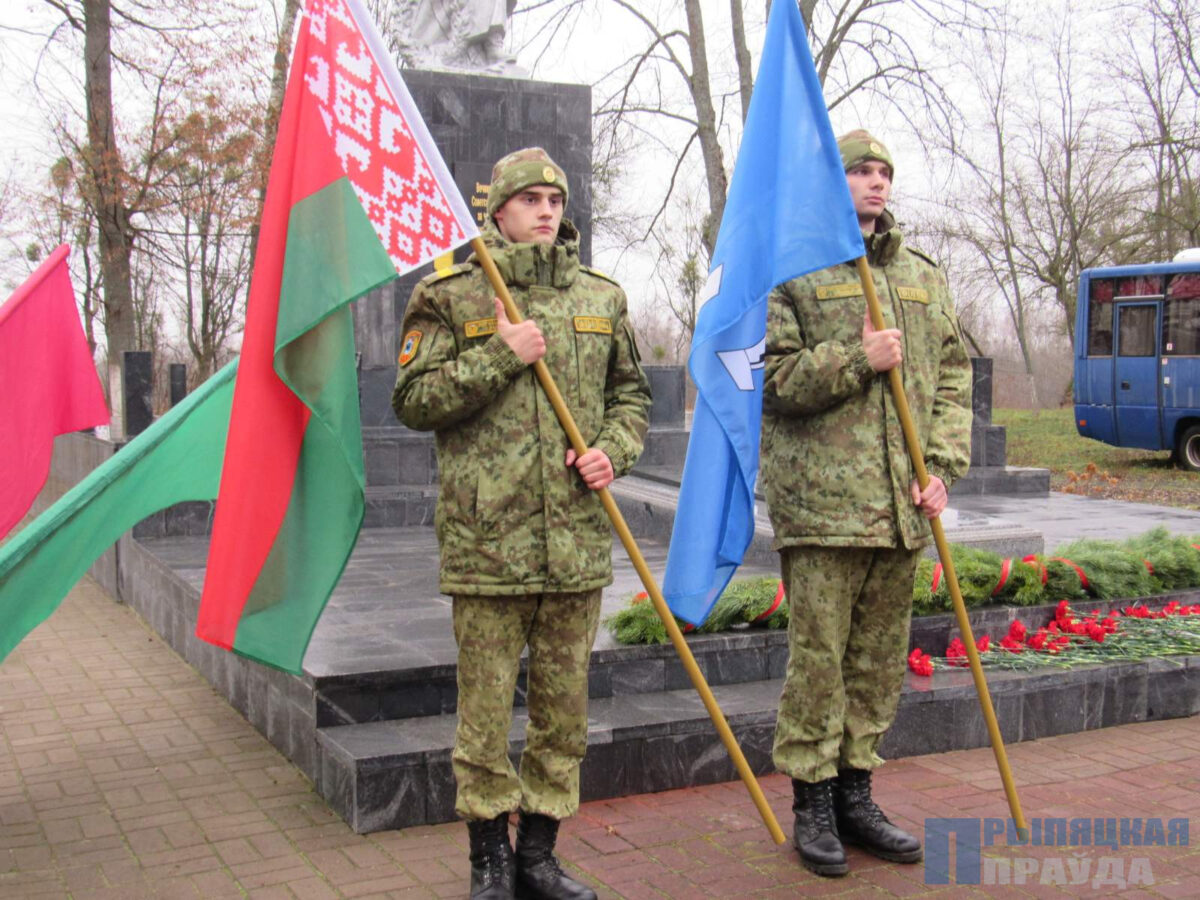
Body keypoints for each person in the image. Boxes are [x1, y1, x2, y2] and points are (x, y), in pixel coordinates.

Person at [392, 148, 651, 900]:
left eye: (555, 198)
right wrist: (499, 358)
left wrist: (613, 451)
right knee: (482, 719)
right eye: (529, 198)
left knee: (563, 715)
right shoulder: (451, 295)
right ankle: (488, 861)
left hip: (574, 542)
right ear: (497, 211)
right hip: (488, 545)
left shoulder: (602, 296)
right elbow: (412, 401)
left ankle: (538, 854)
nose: (546, 210)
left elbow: (632, 399)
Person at [760, 130, 972, 877]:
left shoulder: (921, 275)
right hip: (824, 507)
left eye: (884, 172)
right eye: (860, 171)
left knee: (878, 666)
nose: (876, 183)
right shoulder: (791, 270)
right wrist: (858, 358)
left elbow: (952, 378)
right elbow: (771, 381)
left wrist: (942, 465)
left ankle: (857, 793)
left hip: (901, 505)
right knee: (818, 663)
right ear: (832, 181)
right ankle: (812, 802)